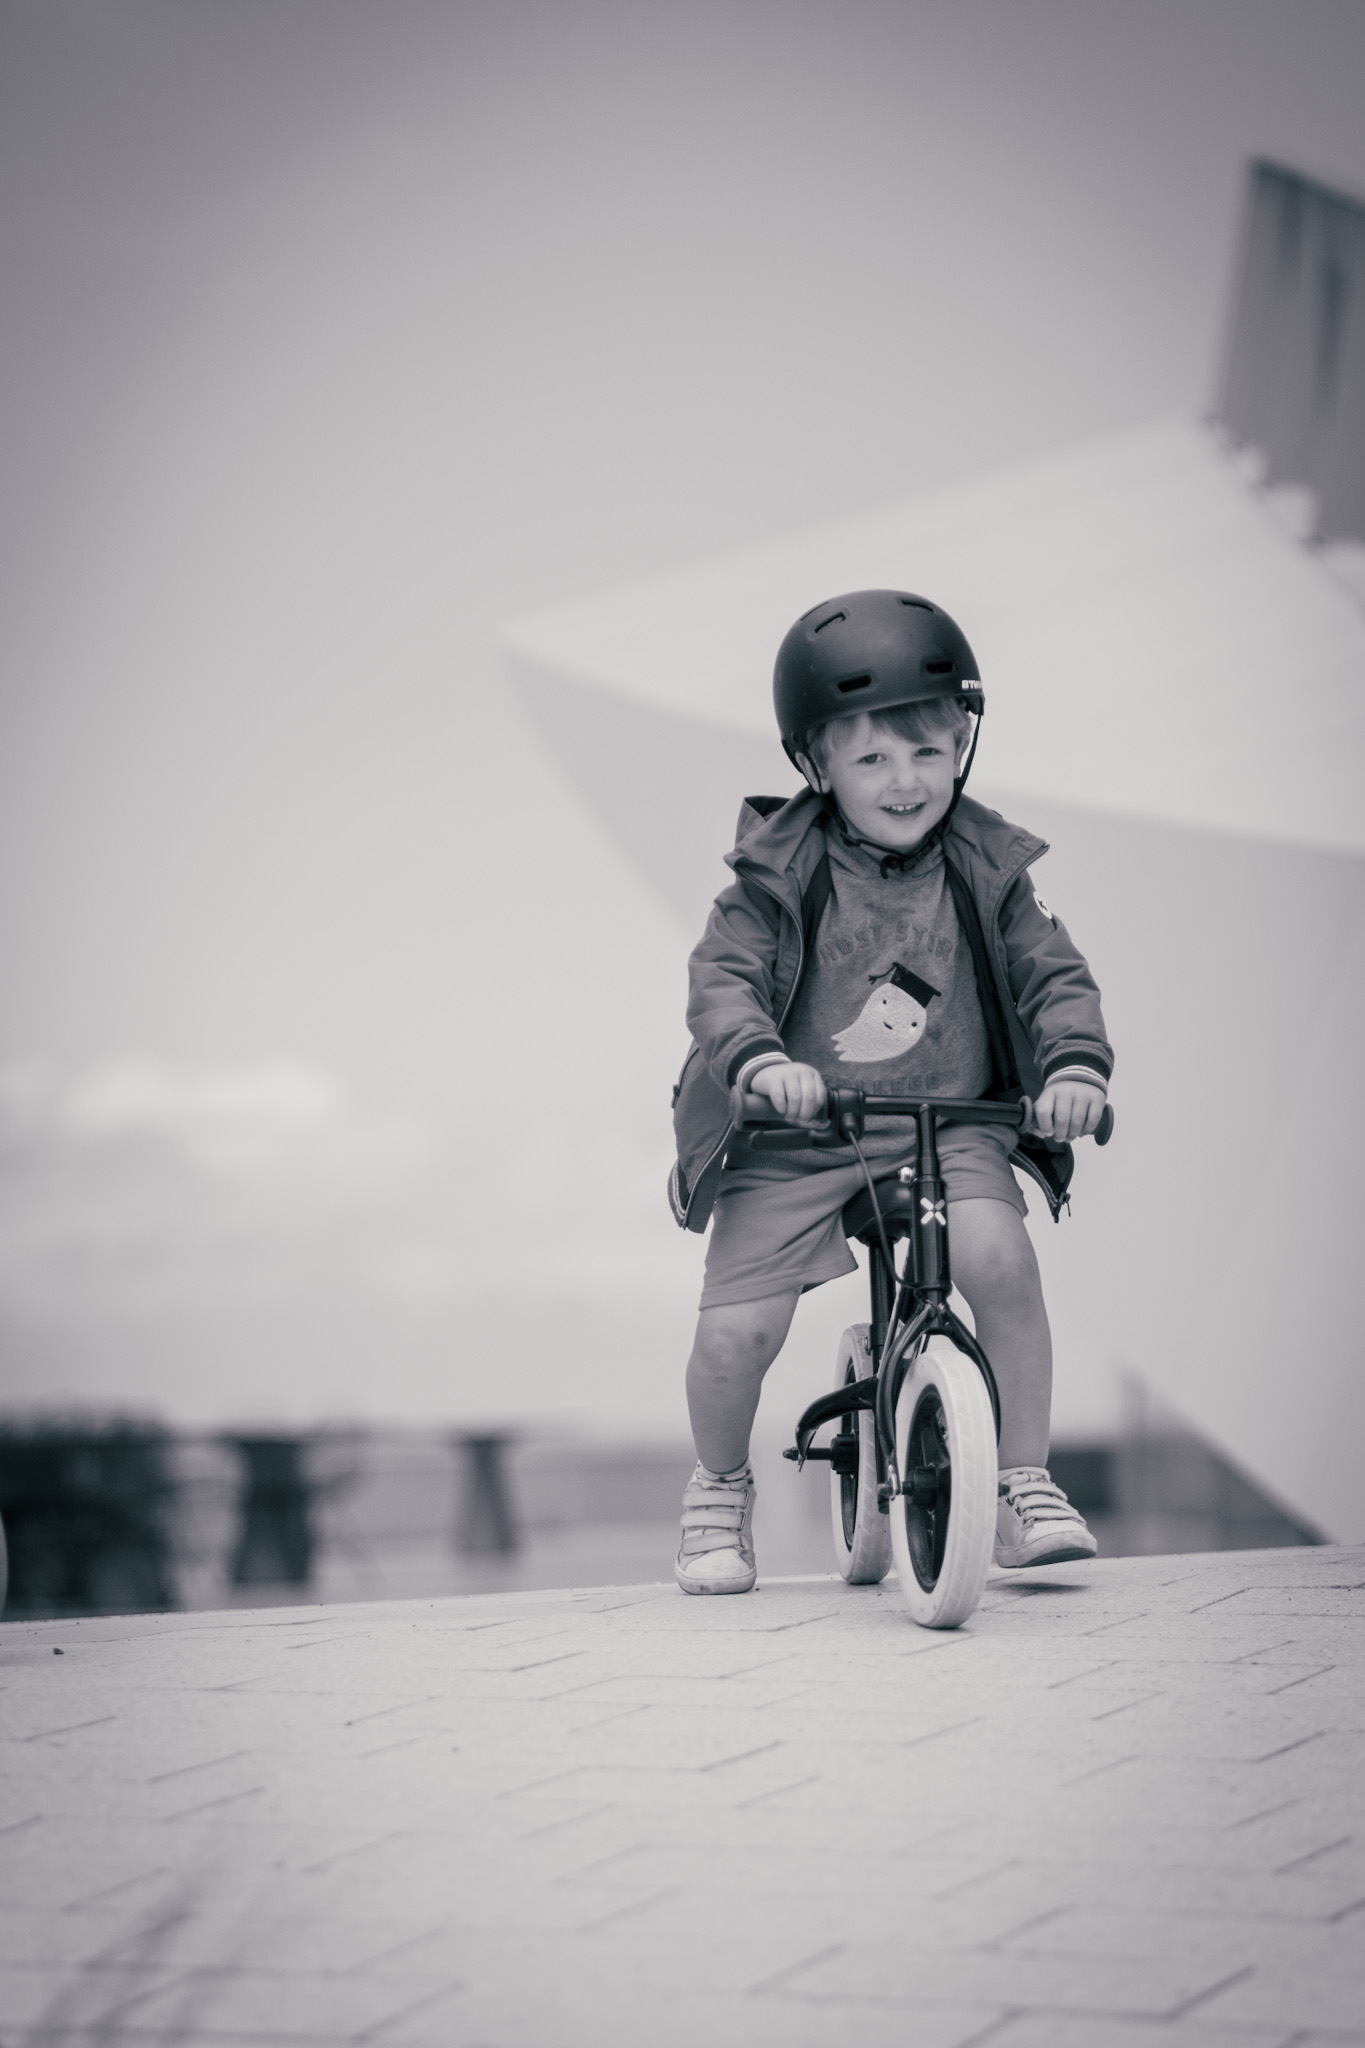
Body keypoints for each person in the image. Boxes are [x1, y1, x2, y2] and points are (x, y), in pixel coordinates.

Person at [668, 588, 1113, 1594]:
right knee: (738, 1330)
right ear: (816, 765)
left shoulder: (989, 868)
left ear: (964, 741)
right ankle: (718, 1481)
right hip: (798, 1129)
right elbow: (723, 977)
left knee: (1003, 1262)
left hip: (952, 1121)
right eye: (871, 757)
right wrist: (756, 1061)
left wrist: (1073, 1066)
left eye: (928, 749)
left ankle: (1021, 1481)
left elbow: (1053, 975)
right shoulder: (777, 873)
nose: (905, 780)